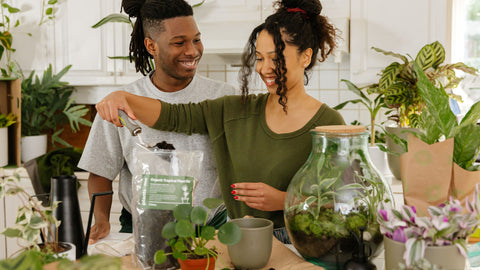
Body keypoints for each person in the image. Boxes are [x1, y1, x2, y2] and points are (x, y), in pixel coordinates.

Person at [94, 0, 345, 244]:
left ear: (305, 57)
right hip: (238, 239)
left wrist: (286, 200)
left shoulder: (329, 123)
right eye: (259, 58)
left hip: (300, 241)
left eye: (276, 58)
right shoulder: (237, 109)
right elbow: (174, 115)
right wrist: (122, 97)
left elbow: (346, 200)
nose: (265, 68)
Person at [78, 0, 236, 244]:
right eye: (179, 42)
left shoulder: (224, 96)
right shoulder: (118, 104)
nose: (192, 51)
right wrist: (100, 219)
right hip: (140, 229)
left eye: (196, 39)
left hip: (209, 231)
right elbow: (101, 170)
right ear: (151, 45)